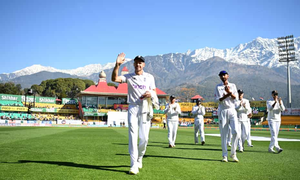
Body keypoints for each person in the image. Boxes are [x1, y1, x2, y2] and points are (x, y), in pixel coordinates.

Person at [111, 53, 158, 175]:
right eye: (136, 62)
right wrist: (117, 65)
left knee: (144, 138)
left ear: (144, 64)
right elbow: (114, 79)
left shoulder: (149, 77)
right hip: (133, 107)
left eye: (140, 62)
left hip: (145, 108)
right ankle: (133, 165)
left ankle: (140, 158)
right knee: (133, 136)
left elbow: (154, 91)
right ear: (133, 64)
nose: (138, 64)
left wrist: (150, 94)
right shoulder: (129, 76)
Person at [214, 70, 239, 162]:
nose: (223, 76)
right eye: (221, 75)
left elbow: (235, 97)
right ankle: (225, 156)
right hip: (223, 110)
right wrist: (227, 94)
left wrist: (229, 93)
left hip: (232, 110)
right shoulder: (218, 87)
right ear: (220, 77)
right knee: (224, 134)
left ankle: (233, 153)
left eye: (224, 75)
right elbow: (218, 100)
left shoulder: (233, 86)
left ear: (228, 76)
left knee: (236, 131)